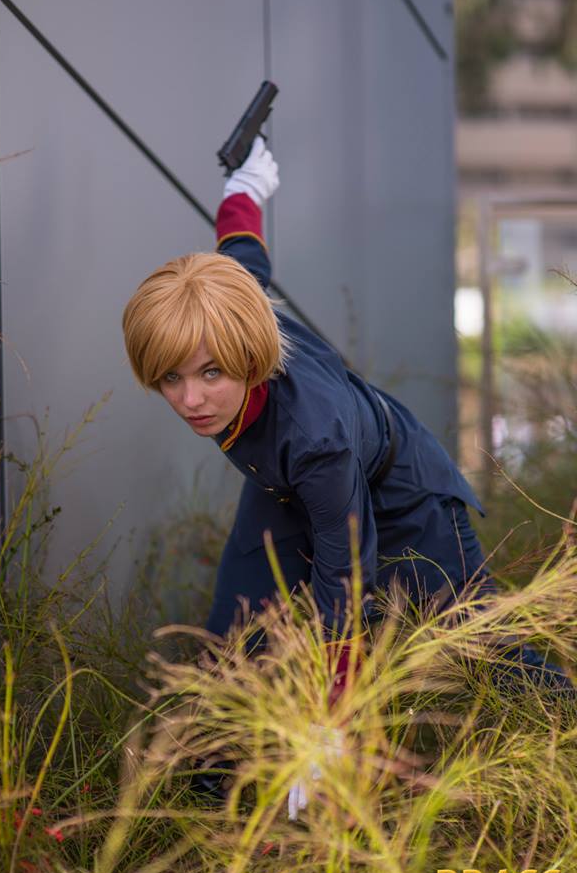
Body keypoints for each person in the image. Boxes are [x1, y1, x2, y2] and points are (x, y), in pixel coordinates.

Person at [122, 136, 572, 692]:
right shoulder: (229, 308)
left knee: (478, 648)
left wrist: (334, 714)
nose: (190, 400)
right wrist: (245, 187)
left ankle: (561, 715)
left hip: (403, 496)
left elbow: (343, 582)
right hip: (284, 488)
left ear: (249, 355)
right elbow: (242, 256)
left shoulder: (317, 440)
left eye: (211, 374)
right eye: (171, 378)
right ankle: (221, 749)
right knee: (235, 639)